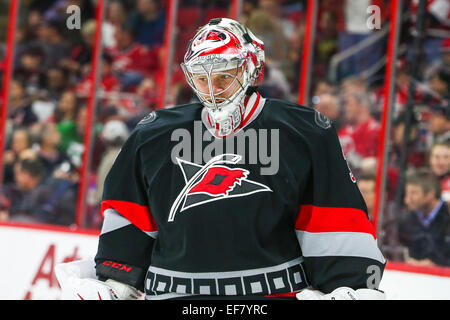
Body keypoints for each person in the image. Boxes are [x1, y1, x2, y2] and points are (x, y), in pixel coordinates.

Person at [55, 18, 386, 300]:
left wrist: (349, 283)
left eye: (224, 76)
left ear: (251, 66)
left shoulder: (304, 131)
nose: (212, 89)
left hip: (270, 294)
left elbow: (333, 215)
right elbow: (131, 214)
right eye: (202, 78)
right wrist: (117, 278)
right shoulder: (152, 134)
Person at [398, 169, 450, 267]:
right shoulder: (407, 219)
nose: (407, 199)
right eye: (407, 193)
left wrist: (436, 265)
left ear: (430, 194)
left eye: (414, 193)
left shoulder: (447, 215)